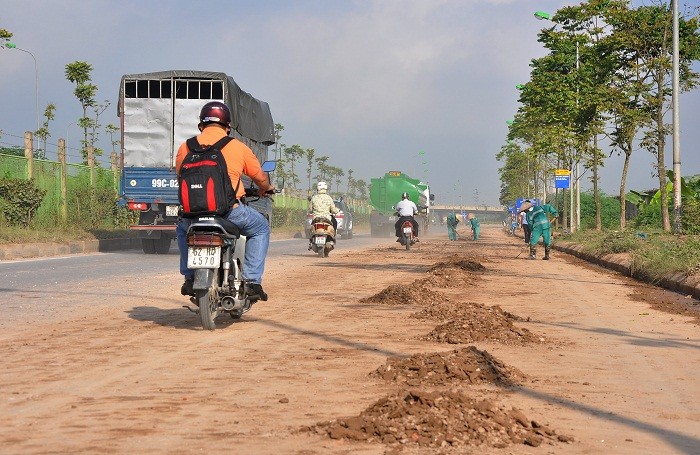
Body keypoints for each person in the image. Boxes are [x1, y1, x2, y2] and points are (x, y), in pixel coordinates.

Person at [176, 101, 275, 300]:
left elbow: (180, 175)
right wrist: (266, 188)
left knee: (181, 229)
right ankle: (252, 281)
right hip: (229, 212)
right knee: (261, 227)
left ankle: (189, 278)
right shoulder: (237, 147)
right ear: (228, 127)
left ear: (201, 125)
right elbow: (260, 178)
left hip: (192, 214)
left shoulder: (185, 147)